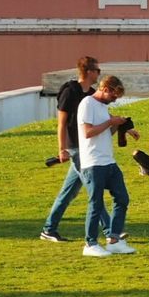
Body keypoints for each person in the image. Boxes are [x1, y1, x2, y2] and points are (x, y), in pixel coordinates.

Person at [41, 56, 110, 243]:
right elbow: (61, 123)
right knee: (94, 189)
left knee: (68, 192)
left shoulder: (92, 95)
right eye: (97, 70)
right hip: (75, 148)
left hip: (85, 148)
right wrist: (62, 149)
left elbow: (103, 118)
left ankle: (49, 228)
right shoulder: (70, 91)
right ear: (88, 71)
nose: (99, 74)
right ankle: (112, 231)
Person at [77, 75, 138, 257]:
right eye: (114, 96)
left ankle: (114, 240)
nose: (115, 100)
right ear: (106, 89)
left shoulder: (103, 107)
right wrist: (111, 122)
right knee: (95, 204)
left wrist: (121, 127)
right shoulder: (87, 103)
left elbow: (105, 133)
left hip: (108, 161)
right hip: (93, 163)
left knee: (122, 198)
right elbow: (88, 132)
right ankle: (90, 244)